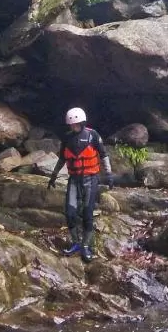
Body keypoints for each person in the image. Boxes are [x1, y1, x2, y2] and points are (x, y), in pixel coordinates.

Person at [47, 108, 113, 263]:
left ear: (82, 123)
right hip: (74, 179)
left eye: (76, 124)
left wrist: (109, 175)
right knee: (70, 213)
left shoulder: (93, 135)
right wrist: (53, 176)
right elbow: (62, 159)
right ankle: (76, 243)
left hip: (91, 178)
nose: (73, 127)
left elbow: (103, 155)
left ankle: (86, 246)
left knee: (87, 214)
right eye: (71, 125)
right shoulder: (67, 138)